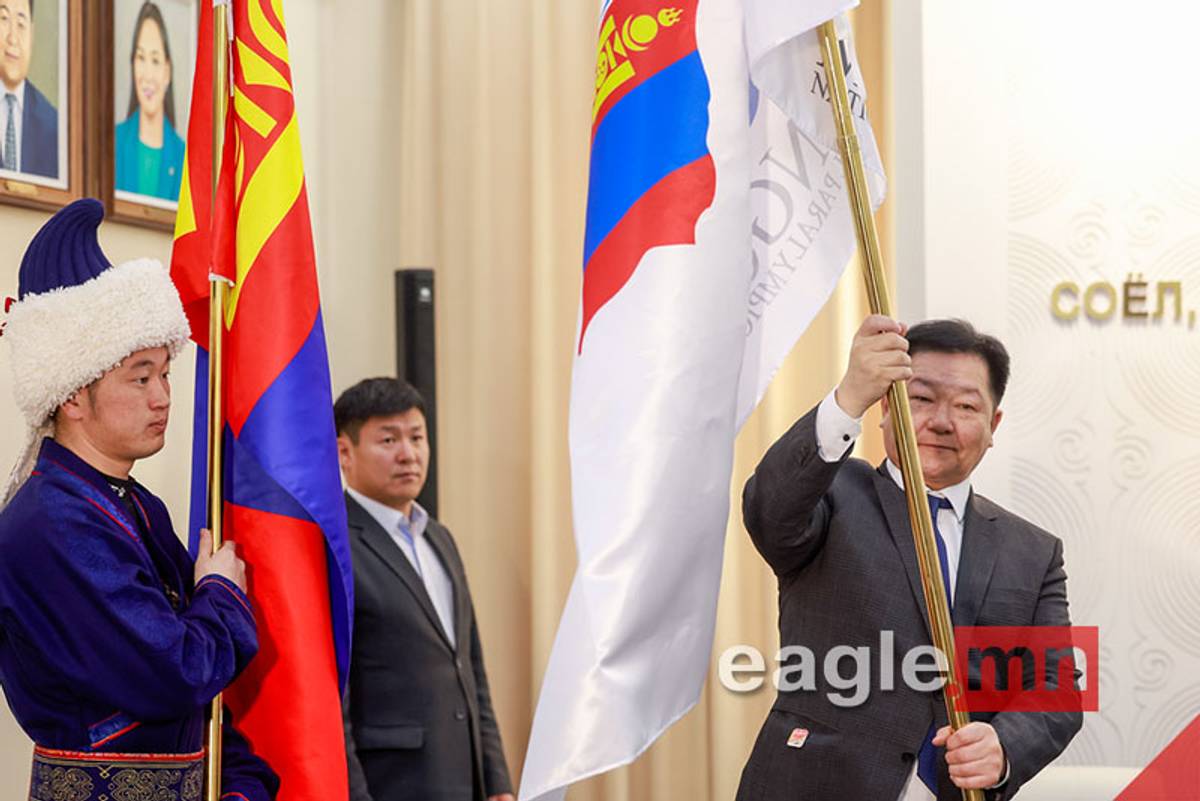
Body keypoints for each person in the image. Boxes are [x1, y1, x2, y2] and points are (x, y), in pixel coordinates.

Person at [736, 315, 1082, 801]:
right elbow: (768, 512)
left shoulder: (1034, 551)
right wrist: (848, 397)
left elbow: (1056, 687)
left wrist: (1003, 747)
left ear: (992, 426)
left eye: (966, 406)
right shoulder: (831, 494)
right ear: (885, 407)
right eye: (920, 399)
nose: (941, 421)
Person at [0, 199, 277, 800]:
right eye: (140, 376)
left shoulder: (131, 503)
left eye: (166, 374)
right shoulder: (53, 521)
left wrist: (240, 782)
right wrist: (221, 590)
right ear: (72, 396)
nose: (163, 397)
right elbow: (177, 672)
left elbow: (198, 702)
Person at [335, 378, 513, 801]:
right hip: (389, 785)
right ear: (344, 452)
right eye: (388, 440)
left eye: (416, 437)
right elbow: (334, 695)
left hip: (463, 781)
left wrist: (497, 782)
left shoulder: (439, 538)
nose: (408, 454)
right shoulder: (336, 547)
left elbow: (469, 667)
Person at [114, 1, 184, 201]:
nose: (147, 74)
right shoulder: (114, 143)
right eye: (140, 58)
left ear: (167, 72)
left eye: (155, 60)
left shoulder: (183, 156)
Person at [0, 0, 58, 178]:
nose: (13, 39)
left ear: (32, 34)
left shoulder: (53, 124)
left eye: (20, 24)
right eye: (3, 18)